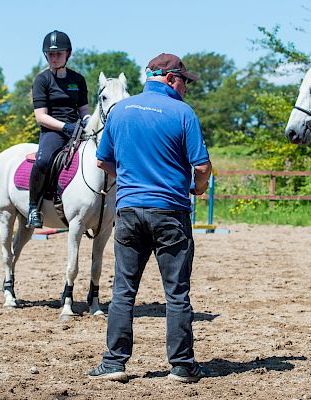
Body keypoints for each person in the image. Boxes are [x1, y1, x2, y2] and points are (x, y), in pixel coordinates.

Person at [88, 53, 212, 383]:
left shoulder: (120, 112)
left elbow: (103, 162)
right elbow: (201, 167)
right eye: (185, 82)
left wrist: (129, 177)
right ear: (171, 79)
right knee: (176, 293)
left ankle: (114, 362)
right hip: (171, 212)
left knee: (123, 291)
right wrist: (197, 188)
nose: (187, 89)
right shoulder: (183, 113)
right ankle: (182, 365)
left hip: (129, 212)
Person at [27, 30, 90, 228]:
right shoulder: (42, 80)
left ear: (68, 54)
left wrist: (89, 122)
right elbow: (41, 116)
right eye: (50, 54)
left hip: (77, 130)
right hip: (53, 131)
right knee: (43, 160)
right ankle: (33, 208)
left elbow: (84, 110)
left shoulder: (78, 79)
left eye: (58, 54)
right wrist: (65, 127)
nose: (54, 58)